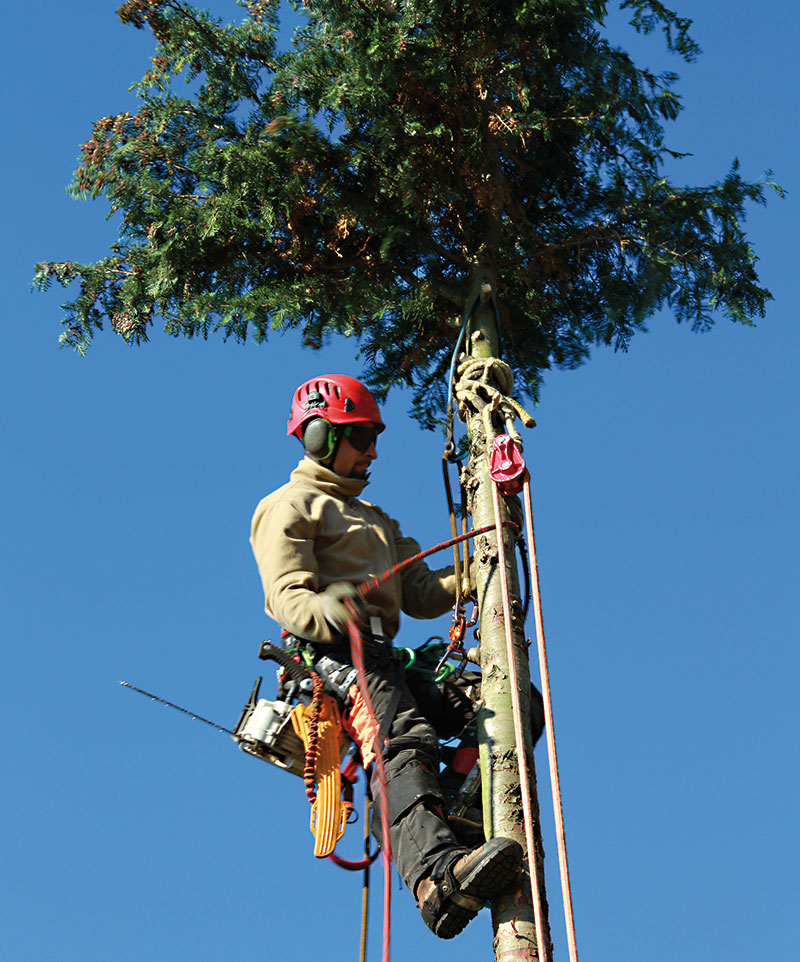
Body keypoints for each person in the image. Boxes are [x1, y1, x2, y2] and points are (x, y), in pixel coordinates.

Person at [250, 373, 524, 939]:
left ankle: (452, 809)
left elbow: (421, 592)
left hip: (385, 654)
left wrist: (481, 567)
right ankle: (436, 882)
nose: (372, 449)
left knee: (509, 706)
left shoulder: (376, 519)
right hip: (334, 657)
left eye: (374, 435)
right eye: (358, 437)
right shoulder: (289, 506)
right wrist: (334, 607)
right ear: (318, 436)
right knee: (403, 739)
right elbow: (288, 596)